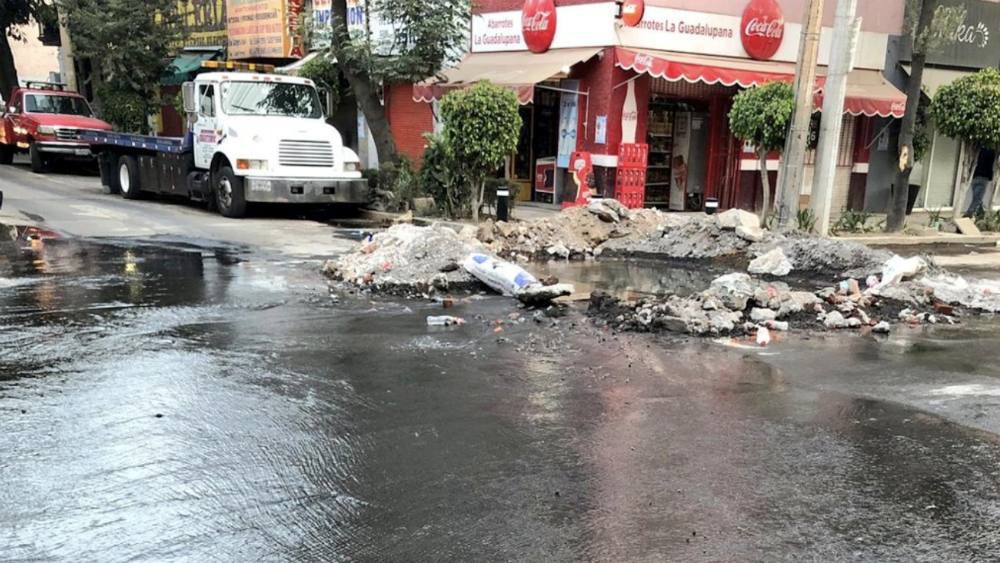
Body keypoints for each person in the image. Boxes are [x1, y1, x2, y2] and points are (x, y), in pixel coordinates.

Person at [965, 147, 996, 218]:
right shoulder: (992, 152)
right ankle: (968, 215)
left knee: (977, 198)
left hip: (974, 175)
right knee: (977, 199)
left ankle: (981, 215)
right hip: (983, 176)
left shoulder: (977, 149)